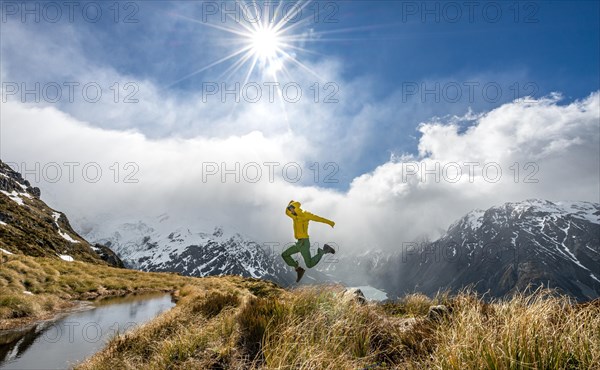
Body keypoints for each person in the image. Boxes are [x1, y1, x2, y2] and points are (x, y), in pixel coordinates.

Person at [282, 200, 336, 282]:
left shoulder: (305, 214)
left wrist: (330, 222)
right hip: (299, 243)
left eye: (291, 208)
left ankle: (324, 251)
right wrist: (290, 203)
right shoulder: (294, 216)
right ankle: (298, 269)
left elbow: (318, 218)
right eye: (289, 209)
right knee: (285, 255)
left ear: (295, 208)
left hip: (304, 243)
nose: (290, 210)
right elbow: (286, 212)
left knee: (309, 264)